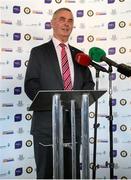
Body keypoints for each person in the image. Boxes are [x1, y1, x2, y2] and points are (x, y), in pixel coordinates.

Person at [24, 7, 95, 179]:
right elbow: (31, 84)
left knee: (72, 174)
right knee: (47, 174)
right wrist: (53, 102)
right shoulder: (39, 52)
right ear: (52, 23)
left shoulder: (80, 55)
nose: (66, 23)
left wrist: (77, 101)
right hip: (47, 125)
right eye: (62, 19)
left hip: (74, 126)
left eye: (70, 20)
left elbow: (89, 83)